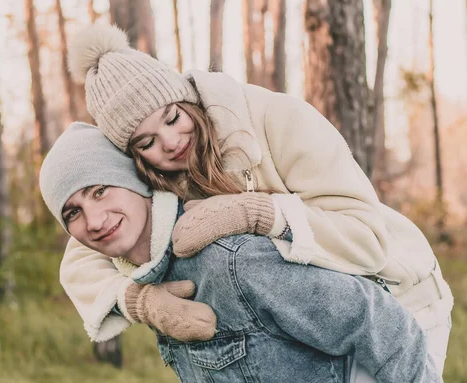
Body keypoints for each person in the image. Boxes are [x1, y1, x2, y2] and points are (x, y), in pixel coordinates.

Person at [63, 24, 453, 373]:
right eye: (146, 142)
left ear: (186, 98)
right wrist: (139, 301)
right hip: (308, 319)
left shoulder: (276, 118)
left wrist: (263, 213)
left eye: (172, 118)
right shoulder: (153, 173)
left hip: (397, 298)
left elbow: (368, 241)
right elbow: (81, 257)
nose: (170, 143)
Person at [39, 122, 441, 382]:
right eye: (73, 212)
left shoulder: (230, 261)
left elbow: (381, 323)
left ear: (137, 181)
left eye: (100, 190)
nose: (93, 219)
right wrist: (140, 302)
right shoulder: (150, 278)